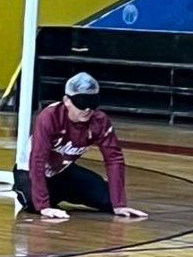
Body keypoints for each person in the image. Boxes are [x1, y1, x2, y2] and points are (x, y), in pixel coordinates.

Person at [12, 72, 148, 220]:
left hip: (62, 173)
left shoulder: (99, 121)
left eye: (92, 103)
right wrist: (43, 206)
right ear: (67, 101)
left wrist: (119, 203)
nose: (87, 109)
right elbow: (37, 159)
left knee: (108, 199)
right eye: (81, 103)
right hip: (29, 172)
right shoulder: (49, 117)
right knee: (33, 203)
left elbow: (114, 159)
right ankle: (47, 198)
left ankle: (59, 194)